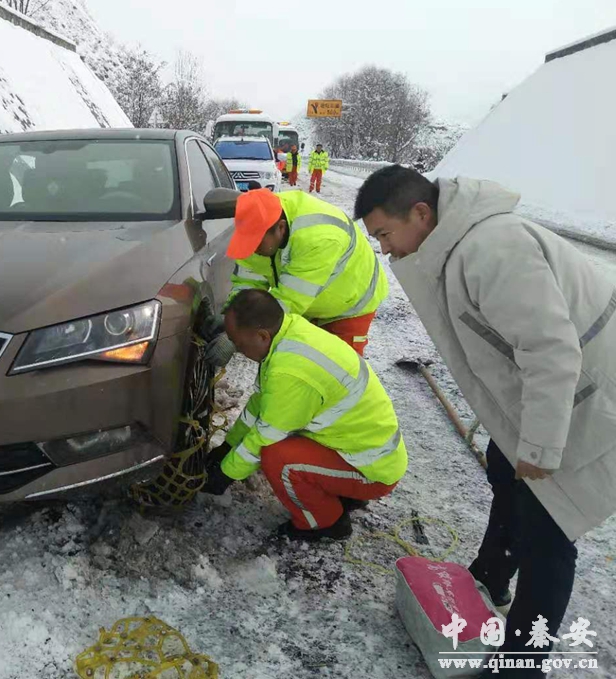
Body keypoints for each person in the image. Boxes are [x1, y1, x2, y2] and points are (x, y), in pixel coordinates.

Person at [354, 165, 616, 677]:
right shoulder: (455, 245)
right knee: (504, 471)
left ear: (421, 213)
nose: (384, 249)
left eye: (385, 234)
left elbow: (550, 350)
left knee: (548, 533)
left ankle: (521, 664)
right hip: (549, 394)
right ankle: (492, 573)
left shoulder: (492, 249)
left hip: (587, 395)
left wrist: (539, 447)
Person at [200, 289, 408, 541]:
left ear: (262, 335)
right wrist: (229, 445)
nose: (238, 350)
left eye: (239, 344)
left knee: (278, 458)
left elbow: (265, 436)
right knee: (278, 445)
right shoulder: (289, 333)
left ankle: (325, 523)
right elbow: (261, 403)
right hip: (354, 449)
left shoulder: (290, 373)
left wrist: (225, 474)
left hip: (372, 470)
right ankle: (339, 493)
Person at [204, 187, 388, 366]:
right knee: (297, 362)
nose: (253, 250)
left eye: (256, 244)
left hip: (349, 305)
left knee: (336, 370)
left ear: (281, 228)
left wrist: (236, 337)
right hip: (307, 300)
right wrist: (232, 316)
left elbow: (288, 302)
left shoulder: (318, 239)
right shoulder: (259, 224)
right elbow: (248, 283)